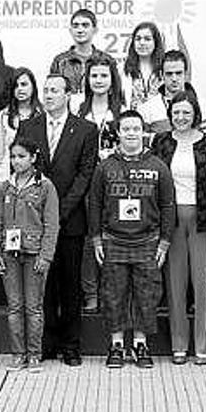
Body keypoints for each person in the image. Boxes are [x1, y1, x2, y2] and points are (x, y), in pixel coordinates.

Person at [17, 74, 98, 367]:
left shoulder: (87, 129)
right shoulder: (29, 126)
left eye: (55, 91)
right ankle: (47, 342)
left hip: (70, 219)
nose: (49, 95)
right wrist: (40, 213)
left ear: (69, 95)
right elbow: (22, 169)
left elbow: (85, 174)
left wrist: (60, 211)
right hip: (34, 221)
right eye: (46, 90)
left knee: (70, 284)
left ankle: (71, 345)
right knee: (43, 283)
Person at [90, 110, 175, 369]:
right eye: (126, 128)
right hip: (113, 239)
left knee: (146, 295)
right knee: (114, 294)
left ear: (143, 132)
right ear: (118, 132)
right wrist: (96, 239)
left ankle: (140, 345)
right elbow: (94, 203)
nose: (131, 133)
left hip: (148, 240)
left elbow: (168, 205)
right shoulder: (105, 167)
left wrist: (165, 242)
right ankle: (116, 345)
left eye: (136, 128)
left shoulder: (158, 165)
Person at [152, 91, 206, 365]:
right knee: (175, 284)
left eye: (186, 112)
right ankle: (179, 346)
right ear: (170, 115)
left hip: (204, 219)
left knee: (202, 285)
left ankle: (202, 347)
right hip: (170, 220)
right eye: (176, 112)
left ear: (195, 114)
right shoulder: (161, 142)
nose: (181, 117)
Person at [0, 137, 59, 373]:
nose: (16, 161)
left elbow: (52, 224)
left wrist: (45, 256)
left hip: (34, 253)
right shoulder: (5, 187)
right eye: (13, 157)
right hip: (9, 254)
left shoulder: (45, 186)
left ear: (33, 158)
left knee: (34, 307)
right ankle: (18, 353)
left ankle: (35, 354)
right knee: (14, 307)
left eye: (21, 156)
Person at [77, 55, 127, 312]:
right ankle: (91, 293)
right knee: (88, 239)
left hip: (114, 183)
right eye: (94, 75)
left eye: (103, 76)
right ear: (87, 79)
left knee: (112, 237)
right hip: (85, 184)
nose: (98, 80)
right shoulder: (78, 108)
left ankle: (111, 292)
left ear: (112, 80)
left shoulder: (121, 110)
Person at [0, 68, 43, 182]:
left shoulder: (43, 113)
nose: (20, 89)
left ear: (33, 86)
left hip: (38, 176)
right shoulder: (3, 116)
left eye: (24, 84)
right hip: (8, 175)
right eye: (16, 86)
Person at [49, 9, 109, 94]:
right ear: (70, 30)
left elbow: (114, 93)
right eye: (75, 26)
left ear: (95, 30)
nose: (80, 30)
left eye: (85, 25)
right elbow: (53, 93)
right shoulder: (60, 61)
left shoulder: (106, 60)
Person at [122, 22, 165, 111]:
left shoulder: (164, 67)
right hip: (132, 121)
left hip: (160, 120)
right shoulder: (123, 69)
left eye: (147, 39)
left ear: (156, 42)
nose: (142, 43)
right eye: (138, 39)